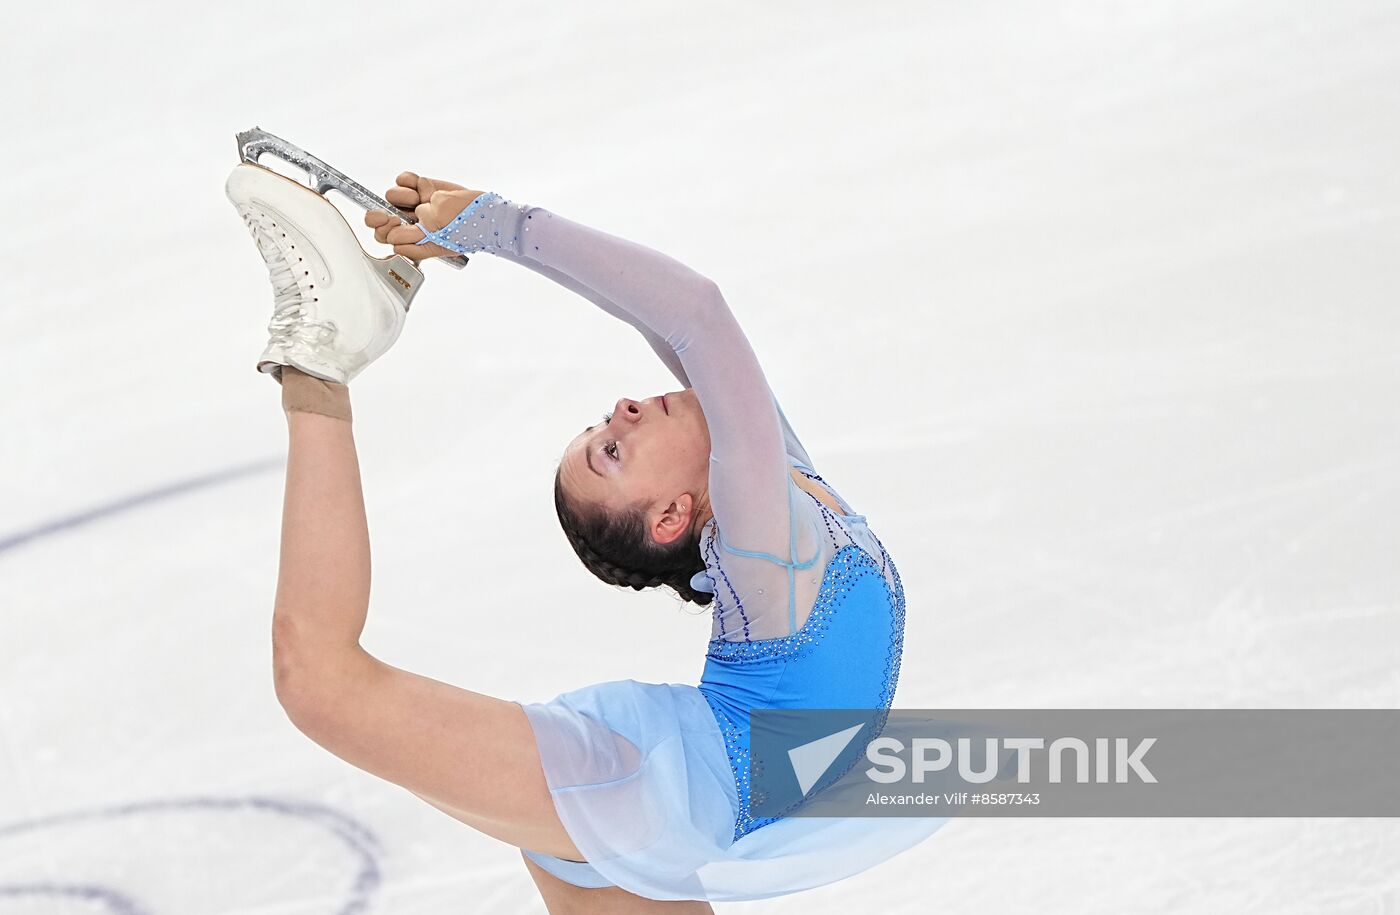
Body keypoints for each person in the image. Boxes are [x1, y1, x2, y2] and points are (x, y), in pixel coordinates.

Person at [226, 162, 948, 913]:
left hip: (686, 808)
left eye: (602, 430)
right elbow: (697, 314)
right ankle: (320, 359)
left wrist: (479, 230)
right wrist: (498, 223)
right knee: (318, 679)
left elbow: (660, 320)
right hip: (650, 787)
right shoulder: (761, 546)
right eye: (611, 449)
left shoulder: (785, 476)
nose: (625, 408)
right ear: (672, 514)